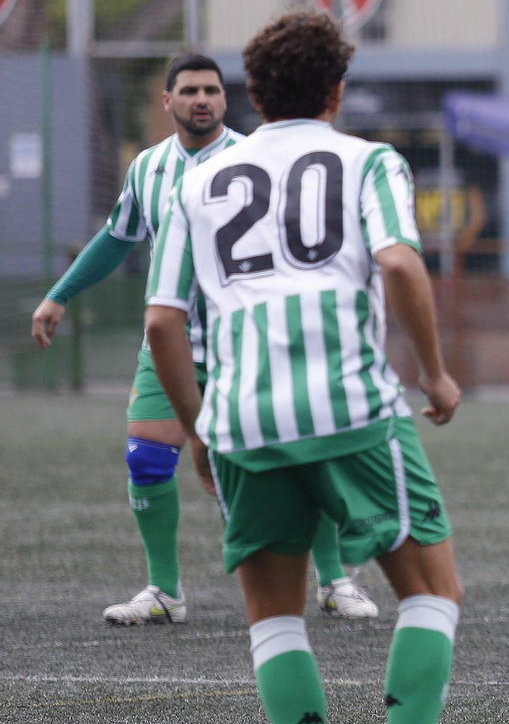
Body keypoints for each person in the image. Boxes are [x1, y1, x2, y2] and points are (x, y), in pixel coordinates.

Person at [143, 9, 463, 724]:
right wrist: (432, 376)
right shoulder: (367, 160)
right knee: (432, 591)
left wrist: (202, 424)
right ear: (336, 91)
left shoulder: (200, 182)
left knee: (275, 616)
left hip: (242, 420)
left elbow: (163, 320)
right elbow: (399, 267)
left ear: (251, 93)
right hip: (353, 410)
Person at [29, 54, 377, 624]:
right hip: (169, 342)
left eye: (212, 90)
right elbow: (118, 239)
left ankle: (335, 580)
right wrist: (59, 295)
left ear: (224, 99)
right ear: (167, 101)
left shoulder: (253, 160)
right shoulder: (148, 167)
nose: (202, 99)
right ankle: (165, 592)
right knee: (145, 454)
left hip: (250, 340)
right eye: (189, 90)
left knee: (295, 457)